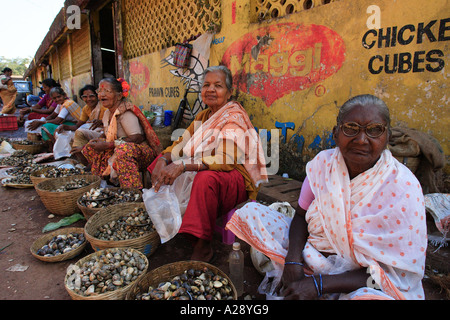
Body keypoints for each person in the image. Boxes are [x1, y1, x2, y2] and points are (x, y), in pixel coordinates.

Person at [226, 94, 427, 300]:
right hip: (312, 258)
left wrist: (319, 284)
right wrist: (293, 261)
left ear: (387, 137)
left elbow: (395, 276)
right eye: (351, 128)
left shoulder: (404, 187)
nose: (361, 139)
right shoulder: (322, 165)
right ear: (335, 133)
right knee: (251, 214)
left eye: (374, 130)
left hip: (364, 279)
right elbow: (299, 216)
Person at [148, 66, 268, 262]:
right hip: (208, 169)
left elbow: (226, 160)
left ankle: (203, 245)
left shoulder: (233, 117)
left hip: (236, 178)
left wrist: (183, 166)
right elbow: (181, 144)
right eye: (206, 85)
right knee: (159, 162)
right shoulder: (203, 117)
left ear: (229, 93)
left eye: (218, 86)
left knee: (205, 178)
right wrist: (163, 159)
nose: (211, 90)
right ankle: (172, 221)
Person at [81, 78, 161, 189]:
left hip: (141, 152)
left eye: (107, 91)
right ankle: (105, 183)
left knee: (124, 151)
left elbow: (137, 138)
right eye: (99, 91)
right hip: (119, 148)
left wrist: (108, 145)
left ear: (119, 96)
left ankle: (132, 192)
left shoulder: (125, 113)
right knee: (90, 147)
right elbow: (109, 134)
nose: (102, 94)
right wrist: (100, 139)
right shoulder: (107, 113)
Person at [56, 84, 106, 164]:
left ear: (97, 96)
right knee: (69, 134)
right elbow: (77, 126)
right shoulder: (86, 109)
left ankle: (87, 163)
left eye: (91, 96)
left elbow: (112, 123)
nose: (88, 99)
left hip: (105, 132)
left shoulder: (104, 107)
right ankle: (82, 161)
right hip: (95, 131)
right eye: (85, 97)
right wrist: (64, 126)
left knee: (79, 133)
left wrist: (102, 122)